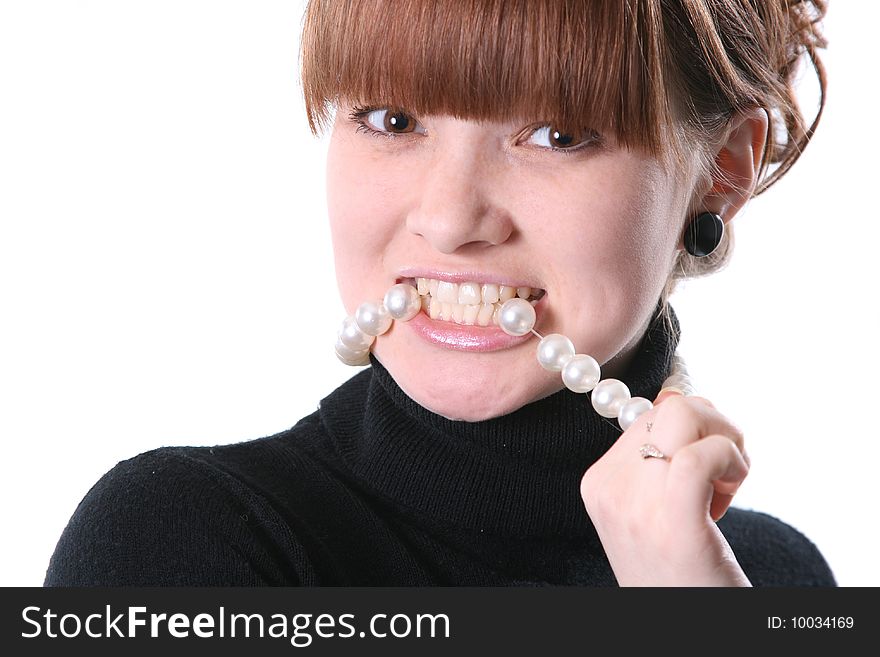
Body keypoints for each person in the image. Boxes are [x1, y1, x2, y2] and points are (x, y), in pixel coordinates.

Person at [45, 0, 835, 586]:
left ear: (723, 171)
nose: (451, 218)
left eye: (556, 134)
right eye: (391, 120)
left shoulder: (774, 580)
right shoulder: (176, 545)